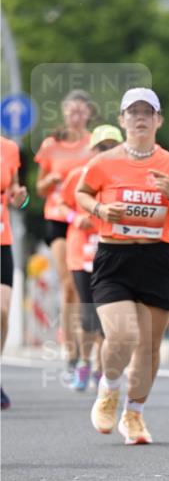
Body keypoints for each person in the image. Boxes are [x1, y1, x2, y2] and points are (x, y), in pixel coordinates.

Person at [76, 88, 169, 443]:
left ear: (159, 120)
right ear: (122, 119)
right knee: (123, 334)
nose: (141, 117)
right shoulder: (104, 162)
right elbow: (82, 193)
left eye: (148, 111)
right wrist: (100, 210)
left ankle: (134, 414)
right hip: (114, 258)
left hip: (157, 259)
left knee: (149, 346)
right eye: (133, 112)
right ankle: (109, 387)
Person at [58, 124, 124, 390]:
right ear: (93, 150)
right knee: (88, 313)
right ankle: (84, 364)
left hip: (111, 250)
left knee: (107, 315)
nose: (106, 152)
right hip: (80, 251)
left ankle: (100, 367)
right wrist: (77, 217)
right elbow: (61, 204)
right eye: (102, 147)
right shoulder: (78, 176)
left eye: (112, 147)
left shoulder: (123, 177)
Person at [35, 89, 95, 375]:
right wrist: (51, 180)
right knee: (68, 283)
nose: (76, 116)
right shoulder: (51, 144)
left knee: (87, 283)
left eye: (81, 111)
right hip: (58, 218)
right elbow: (38, 188)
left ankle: (88, 346)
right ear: (64, 112)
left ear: (89, 114)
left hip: (86, 220)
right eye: (72, 111)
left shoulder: (94, 144)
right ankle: (70, 349)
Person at [1, 136, 28, 409]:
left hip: (2, 240)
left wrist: (21, 198)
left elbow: (18, 195)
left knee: (2, 311)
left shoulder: (8, 149)